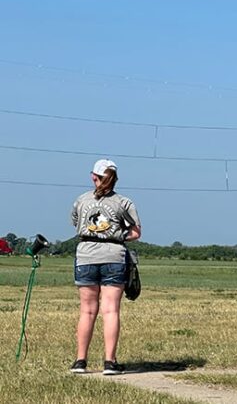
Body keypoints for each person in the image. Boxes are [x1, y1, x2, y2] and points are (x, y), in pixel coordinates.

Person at [69, 159, 141, 375]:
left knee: (87, 310)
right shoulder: (124, 202)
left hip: (86, 256)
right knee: (110, 310)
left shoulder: (81, 200)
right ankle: (109, 362)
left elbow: (75, 222)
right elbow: (136, 232)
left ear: (94, 177)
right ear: (115, 178)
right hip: (113, 256)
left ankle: (80, 361)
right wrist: (118, 234)